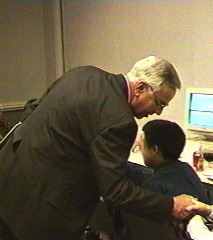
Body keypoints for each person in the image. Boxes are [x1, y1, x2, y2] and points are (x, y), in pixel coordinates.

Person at [0, 56, 195, 240]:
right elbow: (116, 191)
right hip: (40, 218)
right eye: (159, 103)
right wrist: (171, 205)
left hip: (10, 183)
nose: (157, 112)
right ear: (140, 88)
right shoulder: (120, 122)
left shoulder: (82, 74)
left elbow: (32, 110)